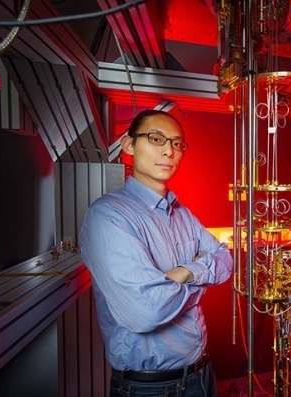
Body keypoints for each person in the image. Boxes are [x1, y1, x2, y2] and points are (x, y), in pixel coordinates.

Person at [79, 109, 233, 397]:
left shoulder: (182, 213)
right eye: (156, 138)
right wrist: (202, 277)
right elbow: (146, 313)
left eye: (177, 143)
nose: (169, 151)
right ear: (128, 146)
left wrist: (185, 273)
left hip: (201, 374)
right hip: (150, 388)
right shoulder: (109, 216)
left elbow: (226, 259)